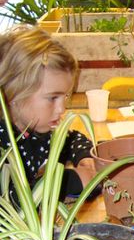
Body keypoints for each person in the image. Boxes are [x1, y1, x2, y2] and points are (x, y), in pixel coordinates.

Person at [0, 26, 96, 196]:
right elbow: (14, 197)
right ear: (14, 92)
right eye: (53, 98)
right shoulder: (4, 143)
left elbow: (72, 138)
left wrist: (84, 157)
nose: (61, 109)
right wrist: (72, 181)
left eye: (66, 97)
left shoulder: (35, 130)